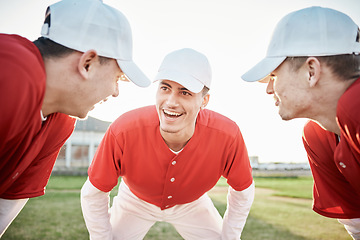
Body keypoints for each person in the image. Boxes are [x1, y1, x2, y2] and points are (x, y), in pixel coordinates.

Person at [0, 0, 151, 237]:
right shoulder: (9, 74)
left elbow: (4, 208)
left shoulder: (61, 121)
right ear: (88, 63)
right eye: (118, 78)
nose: (115, 92)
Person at [81, 48, 254, 240]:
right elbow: (93, 192)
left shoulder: (227, 135)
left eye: (185, 92)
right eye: (165, 88)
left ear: (204, 100)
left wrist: (231, 237)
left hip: (192, 204)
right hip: (134, 200)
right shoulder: (124, 129)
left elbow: (243, 192)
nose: (171, 102)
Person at [242, 6, 360, 239]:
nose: (268, 89)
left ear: (311, 71)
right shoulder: (319, 134)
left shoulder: (355, 104)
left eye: (274, 76)